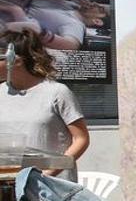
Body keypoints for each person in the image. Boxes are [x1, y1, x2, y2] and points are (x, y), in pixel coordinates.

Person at [0, 29, 89, 181]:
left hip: (49, 188)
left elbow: (81, 139)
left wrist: (49, 174)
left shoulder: (57, 92)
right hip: (8, 185)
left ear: (17, 60)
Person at [0, 0, 83, 50]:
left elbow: (70, 45)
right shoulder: (66, 4)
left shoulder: (73, 22)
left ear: (96, 20)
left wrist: (16, 10)